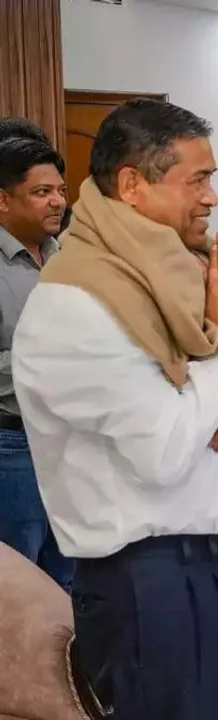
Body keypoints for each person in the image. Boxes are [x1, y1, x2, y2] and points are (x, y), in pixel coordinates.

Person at [12, 98, 218, 719]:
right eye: (198, 179)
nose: (213, 197)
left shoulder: (181, 277)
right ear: (132, 185)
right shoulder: (76, 303)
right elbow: (161, 452)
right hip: (154, 582)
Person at [0, 137, 71, 590]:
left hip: (69, 440)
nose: (58, 202)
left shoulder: (66, 256)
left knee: (69, 572)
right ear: (3, 199)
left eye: (61, 190)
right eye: (42, 192)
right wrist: (55, 364)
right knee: (19, 581)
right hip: (13, 444)